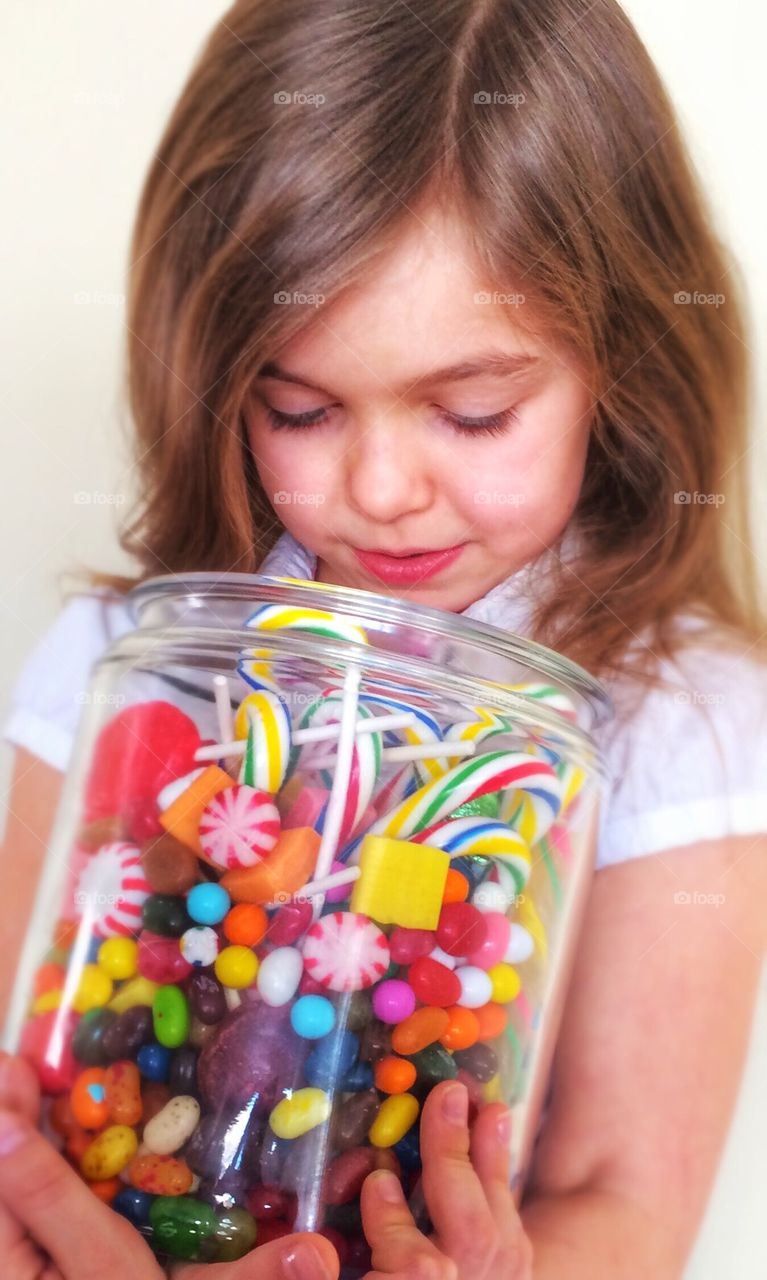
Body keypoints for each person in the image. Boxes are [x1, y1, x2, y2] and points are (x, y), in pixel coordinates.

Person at [1, 0, 766, 1276]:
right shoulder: (126, 655)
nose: (381, 487)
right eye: (298, 407)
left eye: (472, 412)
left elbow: (623, 1200)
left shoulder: (680, 713)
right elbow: (24, 1069)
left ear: (616, 365)